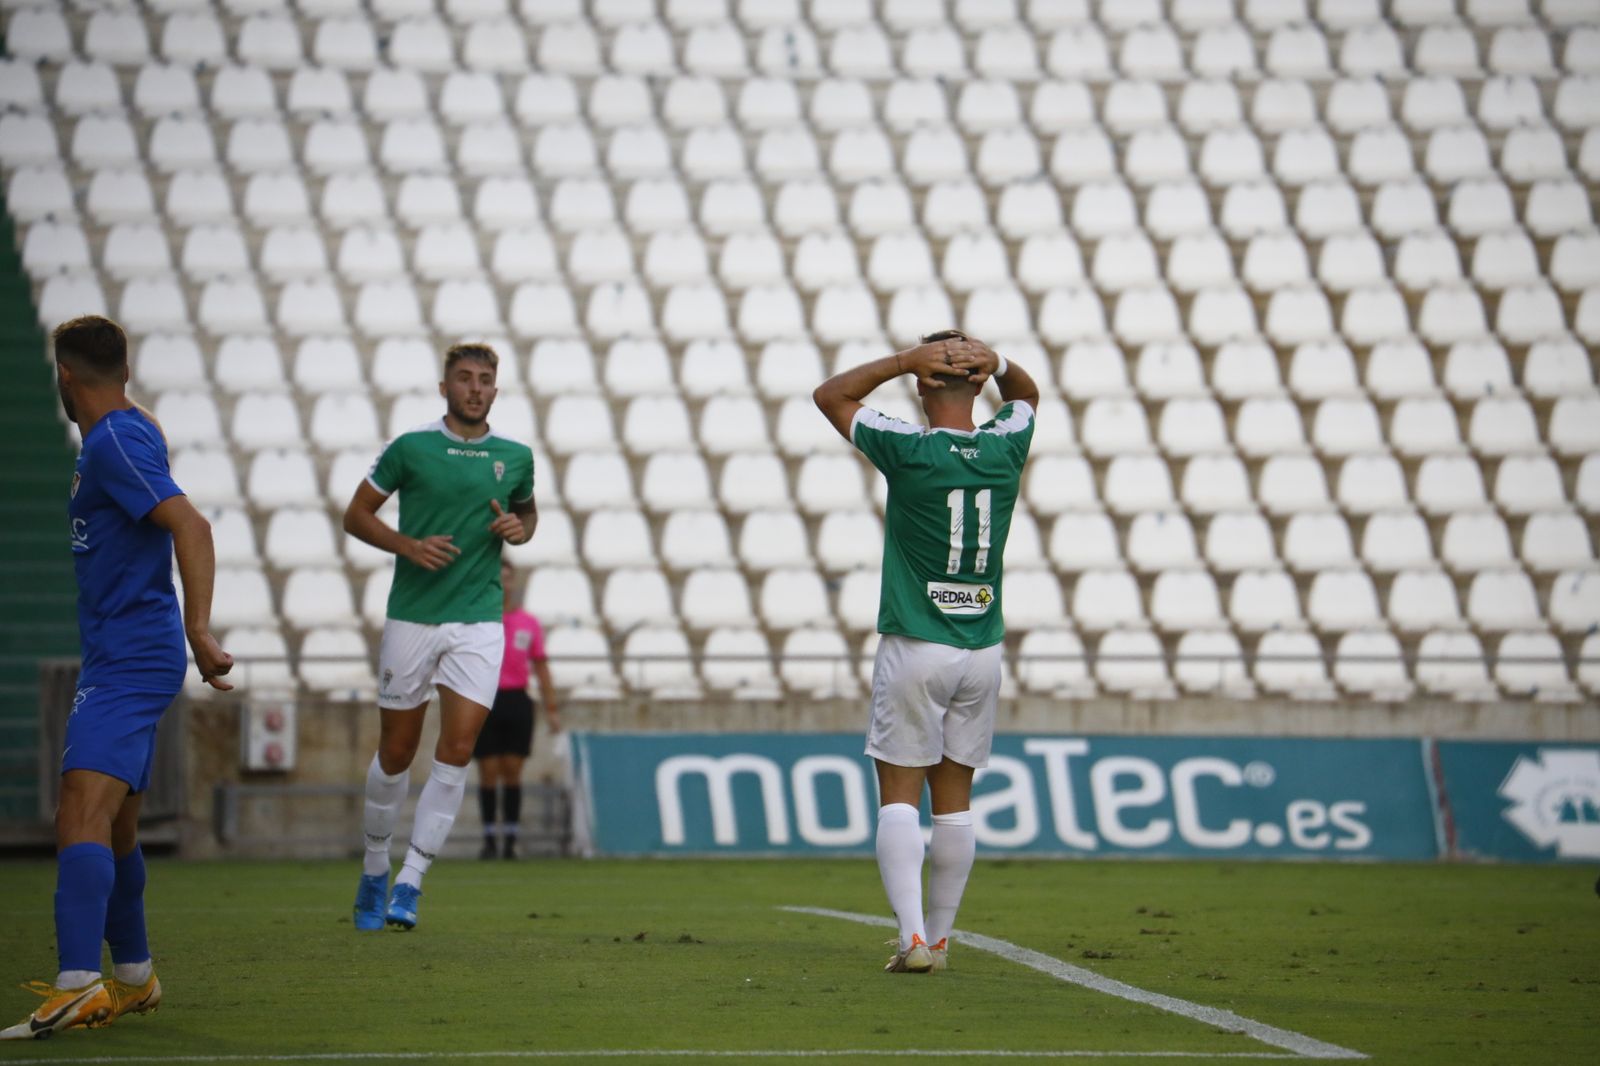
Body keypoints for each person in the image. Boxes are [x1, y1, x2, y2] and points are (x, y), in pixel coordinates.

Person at [3, 316, 233, 1041]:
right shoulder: (133, 429)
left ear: (65, 376)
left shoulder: (113, 444)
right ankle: (134, 975)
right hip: (124, 651)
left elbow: (192, 526)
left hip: (130, 657)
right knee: (118, 826)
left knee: (79, 810)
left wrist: (200, 630)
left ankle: (77, 985)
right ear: (124, 372)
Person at [813, 329, 1038, 975]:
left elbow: (830, 395)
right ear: (979, 381)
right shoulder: (1006, 443)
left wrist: (901, 359)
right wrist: (1000, 363)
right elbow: (1026, 396)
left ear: (920, 385)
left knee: (898, 799)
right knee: (956, 804)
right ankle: (939, 940)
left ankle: (911, 938)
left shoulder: (908, 448)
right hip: (982, 650)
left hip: (917, 643)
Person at [343, 343, 536, 931]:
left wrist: (519, 529)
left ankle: (411, 880)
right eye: (465, 378)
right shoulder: (411, 448)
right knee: (396, 753)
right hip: (413, 616)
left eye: (485, 379)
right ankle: (376, 864)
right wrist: (407, 546)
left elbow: (527, 516)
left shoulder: (516, 456)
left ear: (495, 389)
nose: (475, 388)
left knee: (456, 751)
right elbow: (356, 514)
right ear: (445, 387)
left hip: (479, 620)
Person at [474, 559, 560, 860]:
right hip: (484, 698)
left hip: (516, 699)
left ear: (513, 583)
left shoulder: (528, 622)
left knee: (512, 771)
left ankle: (510, 839)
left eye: (507, 577)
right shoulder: (477, 619)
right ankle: (489, 839)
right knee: (487, 771)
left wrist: (551, 707)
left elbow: (540, 664)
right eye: (497, 577)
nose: (503, 583)